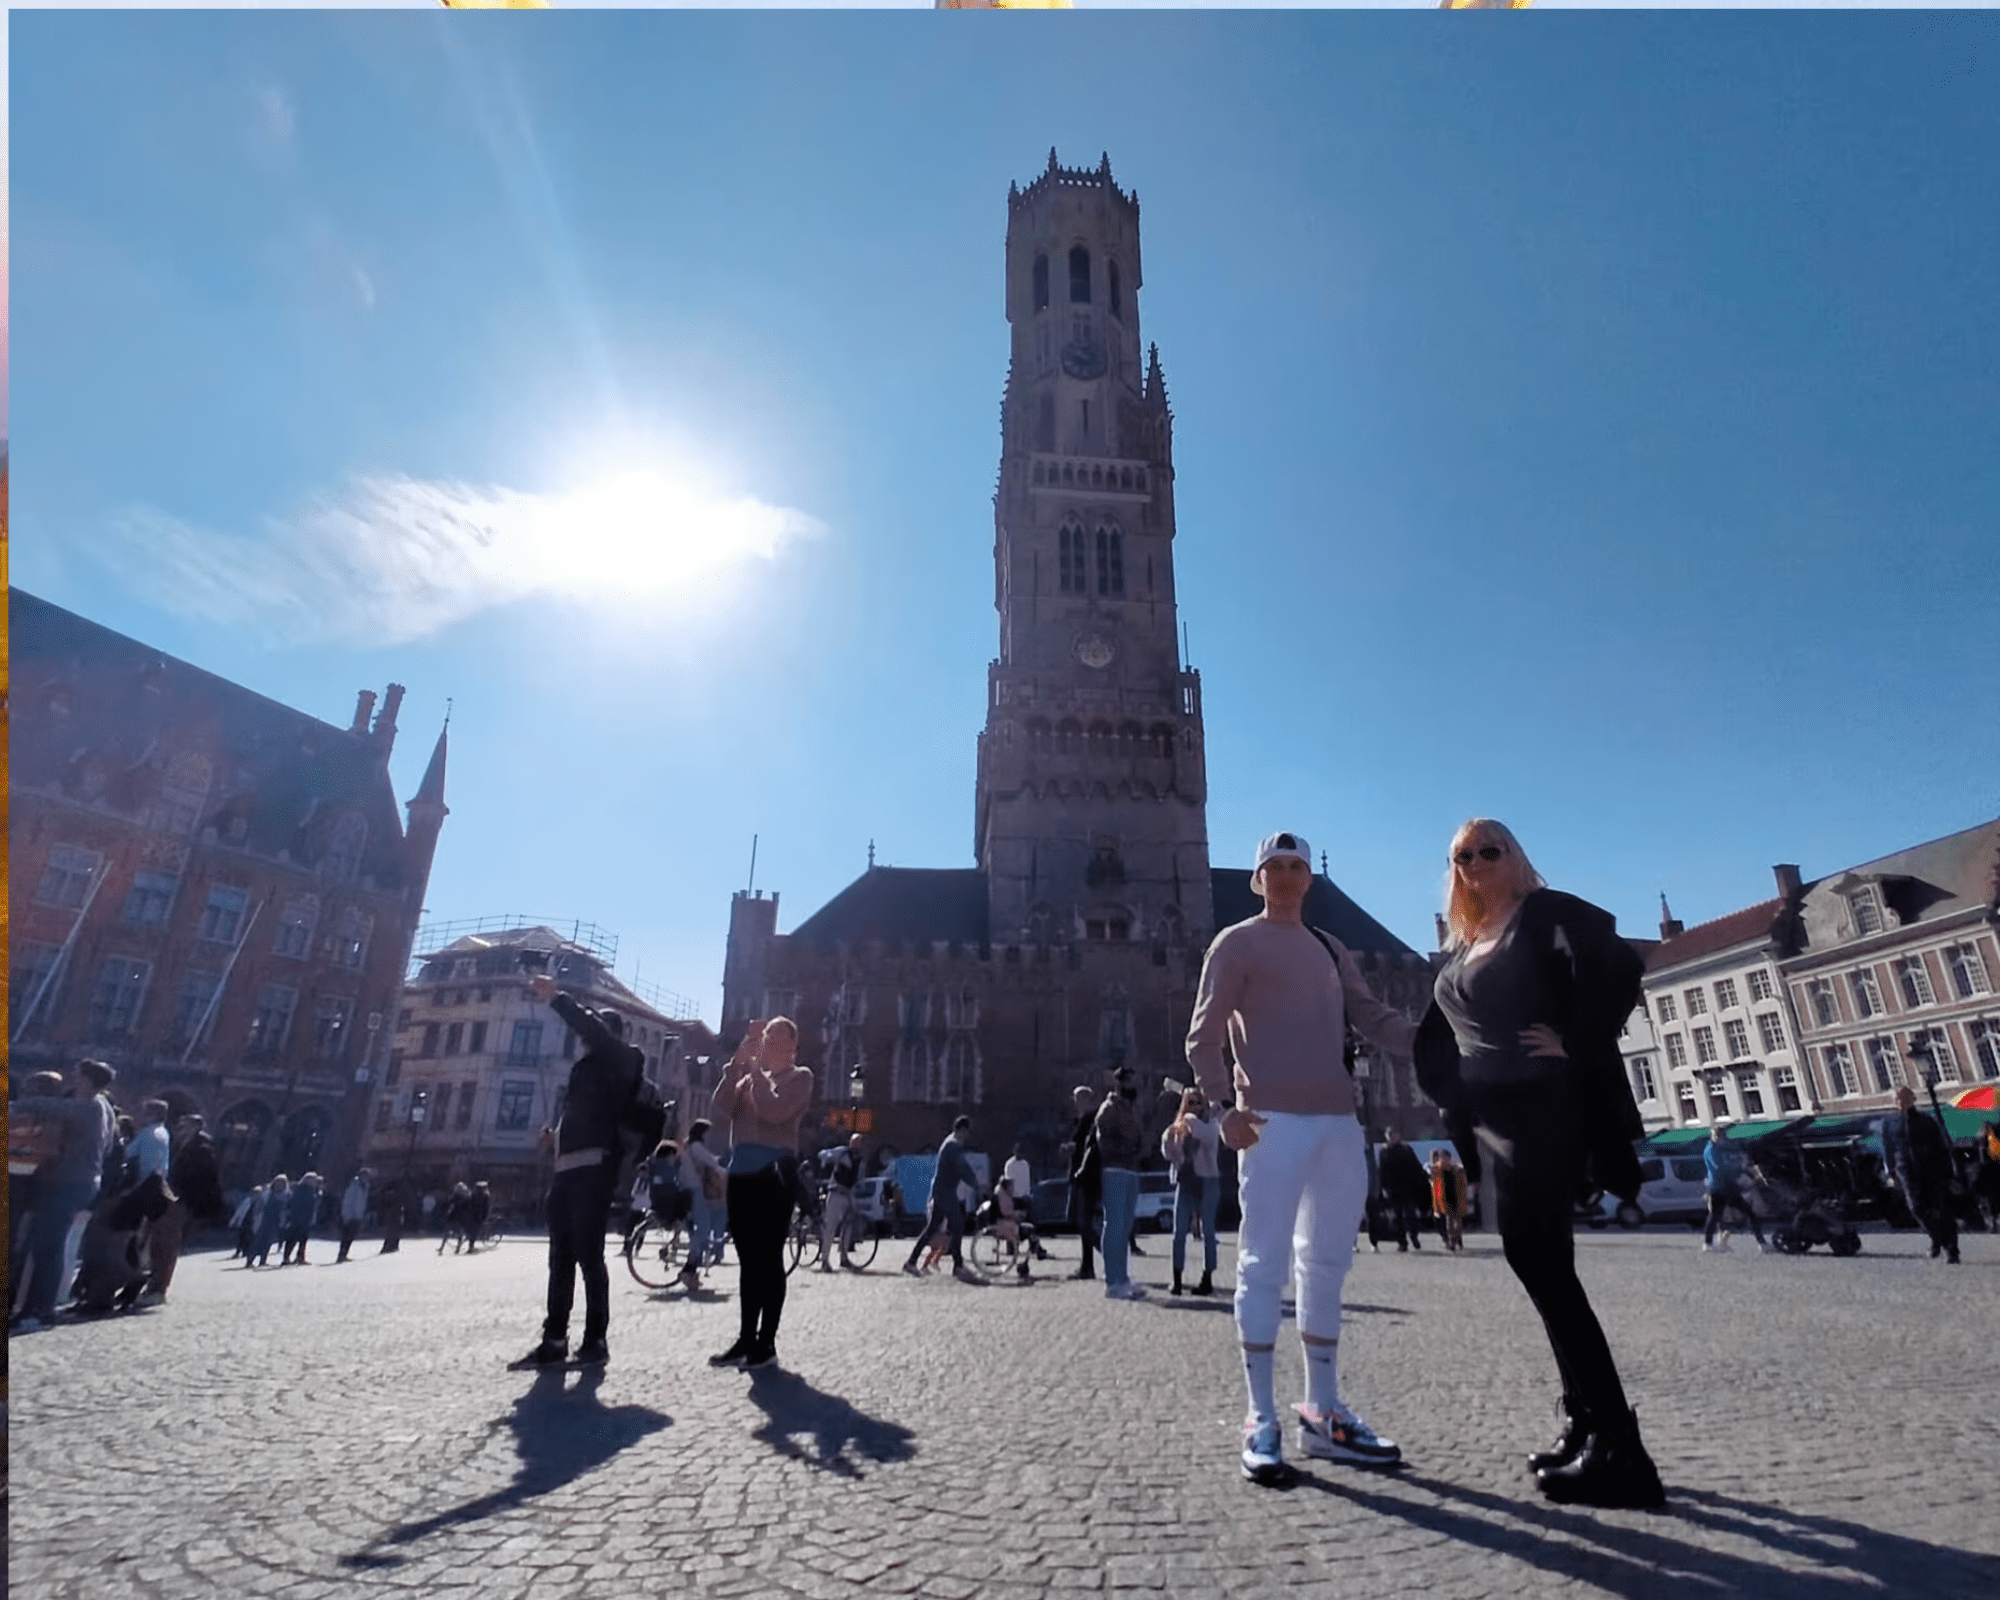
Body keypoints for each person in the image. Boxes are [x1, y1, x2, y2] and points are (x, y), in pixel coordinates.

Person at [1415, 817, 1664, 1509]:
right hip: (1496, 1124)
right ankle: (1585, 1426)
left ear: (1514, 857)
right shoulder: (1470, 938)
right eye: (1462, 856)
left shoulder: (1545, 912)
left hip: (1542, 1111)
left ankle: (1621, 1449)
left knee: (1550, 1273)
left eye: (1488, 851)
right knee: (1540, 1268)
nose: (1474, 863)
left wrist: (1576, 1040)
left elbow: (1620, 966)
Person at [1187, 831, 1417, 1484]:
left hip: (1338, 1122)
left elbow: (1371, 1016)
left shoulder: (1328, 946)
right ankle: (1260, 1416)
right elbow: (1203, 1036)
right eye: (1273, 868)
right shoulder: (1235, 943)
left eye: (1295, 867)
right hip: (1271, 1120)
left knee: (1326, 1265)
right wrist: (1220, 1107)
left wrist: (1435, 1036)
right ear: (1257, 881)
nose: (1286, 876)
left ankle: (1324, 1410)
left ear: (1308, 879)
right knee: (1262, 1263)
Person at [510, 974, 664, 1370]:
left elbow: (591, 1029)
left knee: (589, 1258)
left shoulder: (623, 1058)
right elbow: (579, 1117)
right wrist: (555, 1141)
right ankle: (555, 1339)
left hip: (596, 1168)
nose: (583, 1037)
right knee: (560, 1258)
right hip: (566, 1170)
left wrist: (558, 998)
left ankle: (596, 1340)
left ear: (606, 1033)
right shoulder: (583, 1071)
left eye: (592, 1029)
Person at [707, 1017, 814, 1369]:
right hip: (741, 1172)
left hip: (774, 1174)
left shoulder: (801, 1078)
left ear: (793, 1046)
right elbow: (722, 1105)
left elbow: (774, 1112)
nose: (769, 1044)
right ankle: (745, 1338)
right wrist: (737, 1064)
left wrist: (753, 1071)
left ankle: (765, 1344)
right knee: (748, 1261)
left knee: (768, 1259)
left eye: (778, 1039)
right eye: (767, 1038)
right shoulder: (750, 1076)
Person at [11, 1060, 120, 1330]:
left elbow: (51, 1107)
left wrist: (16, 1105)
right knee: (45, 1245)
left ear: (86, 1080)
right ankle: (30, 1308)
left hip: (69, 1184)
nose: (73, 1078)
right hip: (78, 1182)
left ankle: (42, 1311)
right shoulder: (103, 1107)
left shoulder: (90, 1107)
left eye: (78, 1075)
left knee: (49, 1248)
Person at [1881, 1085, 1959, 1266]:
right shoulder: (1890, 1123)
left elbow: (1940, 1147)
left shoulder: (1926, 1121)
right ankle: (1936, 1237)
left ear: (1913, 1099)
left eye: (1903, 1098)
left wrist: (1948, 1173)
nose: (1900, 1102)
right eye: (1897, 1099)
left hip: (1931, 1169)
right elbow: (1888, 1150)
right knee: (1915, 1207)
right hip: (1906, 1170)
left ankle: (1951, 1250)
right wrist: (1891, 1173)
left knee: (1942, 1209)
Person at [903, 1116, 981, 1283]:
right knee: (958, 1223)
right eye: (967, 1131)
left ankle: (911, 1262)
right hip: (945, 1191)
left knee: (932, 1228)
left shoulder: (950, 1142)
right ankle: (958, 1266)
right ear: (962, 1130)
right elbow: (962, 1168)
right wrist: (975, 1183)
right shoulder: (953, 1145)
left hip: (942, 1190)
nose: (968, 1135)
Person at [1163, 1086, 1223, 1297]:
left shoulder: (1210, 1122)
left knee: (1208, 1232)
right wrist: (1171, 1137)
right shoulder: (1179, 1125)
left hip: (1207, 1180)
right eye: (1190, 1102)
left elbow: (1207, 1135)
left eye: (1198, 1102)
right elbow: (1167, 1150)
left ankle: (1207, 1279)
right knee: (1179, 1231)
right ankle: (1177, 1279)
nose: (1194, 1107)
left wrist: (1187, 1120)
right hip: (1186, 1180)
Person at [1093, 1071, 1147, 1300]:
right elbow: (1103, 1139)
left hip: (1131, 1169)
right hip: (1114, 1169)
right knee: (1114, 1225)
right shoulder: (1109, 1108)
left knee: (1124, 1227)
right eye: (1130, 1081)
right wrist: (1126, 1148)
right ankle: (1112, 1282)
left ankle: (1122, 1278)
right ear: (1120, 1084)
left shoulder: (1132, 1109)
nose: (1134, 1085)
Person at [1700, 1126, 1768, 1253]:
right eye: (1721, 1135)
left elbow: (1730, 1164)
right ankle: (1708, 1244)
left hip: (1727, 1186)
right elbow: (1720, 1168)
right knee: (1716, 1215)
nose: (1723, 1138)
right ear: (1716, 1136)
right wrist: (1738, 1174)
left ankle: (1761, 1242)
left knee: (1744, 1213)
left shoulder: (1719, 1148)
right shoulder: (1711, 1149)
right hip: (1718, 1187)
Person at [680, 1119, 728, 1288]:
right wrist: (728, 1174)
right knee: (703, 1229)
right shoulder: (696, 1147)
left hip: (687, 1189)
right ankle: (689, 1269)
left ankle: (692, 1271)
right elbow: (713, 1164)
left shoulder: (688, 1146)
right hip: (696, 1191)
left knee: (699, 1230)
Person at [1063, 1086, 1103, 1281]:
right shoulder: (1083, 1119)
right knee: (1080, 1222)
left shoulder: (1091, 1119)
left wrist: (1070, 1147)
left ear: (1086, 1099)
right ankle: (1088, 1266)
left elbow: (1087, 1147)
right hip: (1080, 1175)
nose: (1076, 1102)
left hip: (1086, 1176)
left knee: (1082, 1221)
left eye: (1079, 1099)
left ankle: (1105, 1253)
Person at [1377, 1130, 1431, 1251]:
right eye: (1392, 1136)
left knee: (1411, 1214)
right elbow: (1382, 1171)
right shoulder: (1385, 1151)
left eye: (1396, 1135)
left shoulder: (1406, 1149)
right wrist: (1384, 1188)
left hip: (1408, 1188)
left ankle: (1414, 1236)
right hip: (1393, 1189)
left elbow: (1416, 1166)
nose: (1395, 1138)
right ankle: (1402, 1242)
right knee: (1397, 1217)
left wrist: (1423, 1179)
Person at [820, 1133, 866, 1272]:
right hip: (836, 1192)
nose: (856, 1145)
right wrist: (826, 1162)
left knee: (848, 1228)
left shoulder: (860, 1159)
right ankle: (825, 1260)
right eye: (854, 1142)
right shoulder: (842, 1152)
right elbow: (823, 1154)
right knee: (831, 1228)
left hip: (848, 1194)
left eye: (859, 1142)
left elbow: (859, 1178)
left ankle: (844, 1258)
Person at [1429, 1149, 1468, 1253]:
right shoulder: (1437, 1170)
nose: (1442, 1159)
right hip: (1445, 1199)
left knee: (1459, 1223)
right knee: (1449, 1222)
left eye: (1444, 1157)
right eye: (1440, 1157)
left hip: (1457, 1198)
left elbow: (1463, 1183)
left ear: (1448, 1158)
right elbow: (1434, 1184)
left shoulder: (1457, 1169)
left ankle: (1457, 1238)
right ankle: (1451, 1242)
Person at [282, 1172, 322, 1266]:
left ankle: (300, 1257)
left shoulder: (312, 1190)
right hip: (298, 1218)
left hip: (306, 1218)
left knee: (303, 1240)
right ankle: (286, 1258)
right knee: (292, 1239)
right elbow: (296, 1204)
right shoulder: (300, 1189)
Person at [251, 1175, 290, 1268]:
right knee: (259, 1241)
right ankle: (250, 1260)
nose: (279, 1185)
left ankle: (262, 1260)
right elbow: (258, 1207)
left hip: (276, 1220)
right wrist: (255, 1217)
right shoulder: (267, 1194)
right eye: (278, 1183)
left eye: (282, 1183)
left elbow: (287, 1208)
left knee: (269, 1242)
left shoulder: (286, 1195)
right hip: (265, 1220)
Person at [338, 1169, 372, 1263]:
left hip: (358, 1215)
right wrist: (346, 1214)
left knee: (351, 1236)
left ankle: (345, 1254)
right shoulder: (354, 1185)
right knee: (346, 1236)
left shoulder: (365, 1186)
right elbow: (348, 1200)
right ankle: (341, 1254)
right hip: (350, 1214)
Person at [1003, 1143, 1032, 1208]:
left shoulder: (1025, 1164)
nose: (1019, 1154)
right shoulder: (1009, 1164)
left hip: (1025, 1198)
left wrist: (1027, 1194)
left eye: (1021, 1152)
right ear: (1014, 1152)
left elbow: (1027, 1180)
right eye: (1018, 1152)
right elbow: (1008, 1181)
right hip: (1014, 1198)